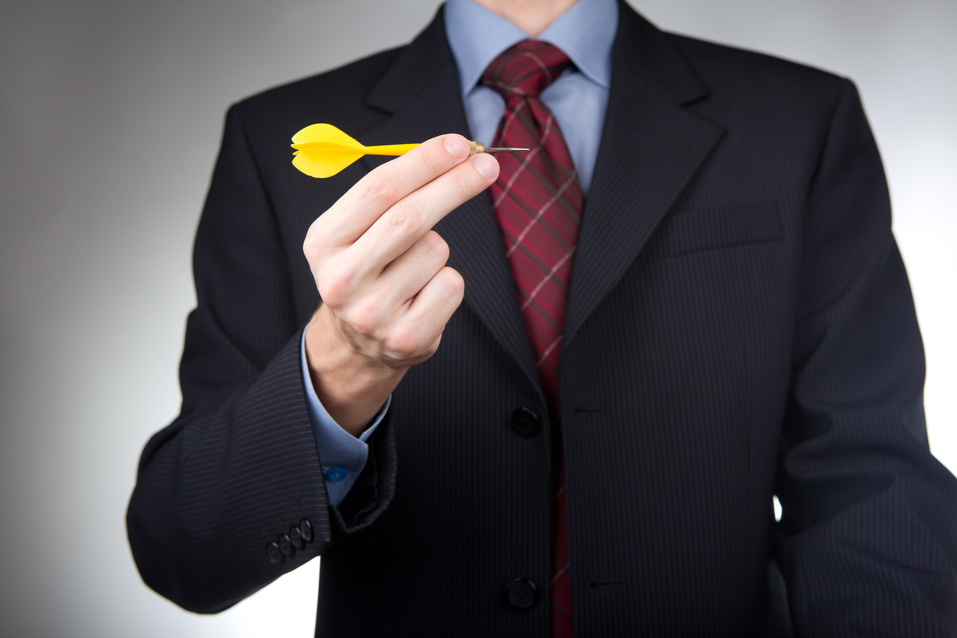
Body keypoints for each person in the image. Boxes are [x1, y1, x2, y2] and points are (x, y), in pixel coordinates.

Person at [127, 0, 957, 635]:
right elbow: (186, 547)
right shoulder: (275, 141)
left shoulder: (798, 121)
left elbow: (865, 482)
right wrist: (342, 368)